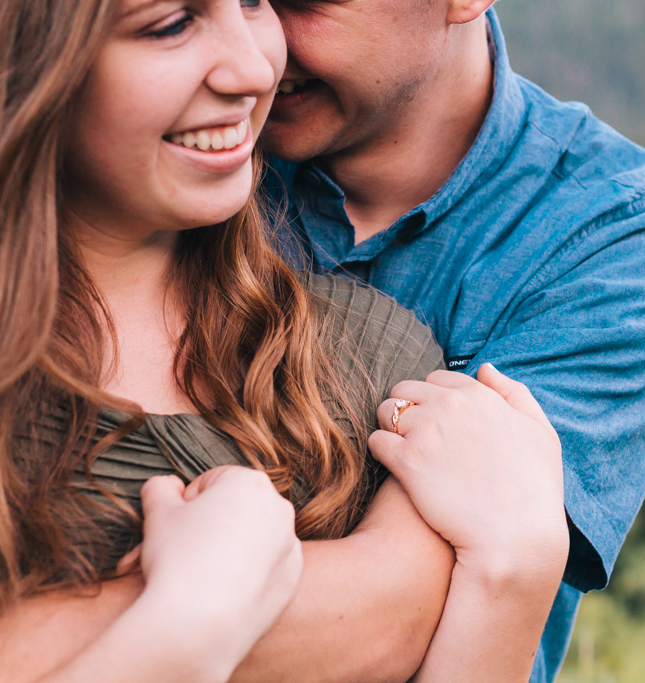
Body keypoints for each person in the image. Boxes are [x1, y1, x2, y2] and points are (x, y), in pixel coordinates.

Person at [0, 0, 568, 681]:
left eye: (251, 1)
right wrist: (182, 623)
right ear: (30, 62)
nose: (256, 66)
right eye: (170, 24)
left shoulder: (370, 360)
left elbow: (429, 614)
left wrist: (516, 578)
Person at [262, 0, 645, 679]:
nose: (259, 36)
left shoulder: (618, 240)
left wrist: (55, 623)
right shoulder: (185, 134)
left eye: (302, 0)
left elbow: (391, 618)